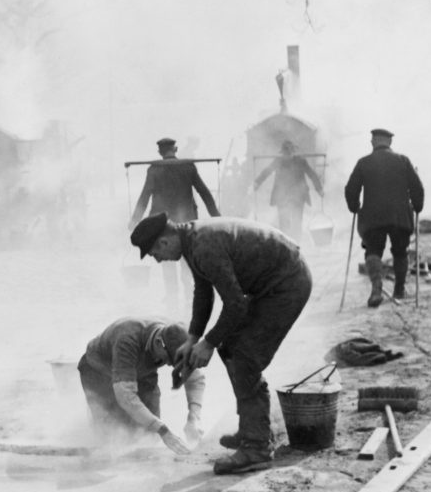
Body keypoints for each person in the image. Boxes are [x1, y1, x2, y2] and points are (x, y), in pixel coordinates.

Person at [132, 211, 312, 474]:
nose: (158, 260)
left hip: (288, 284)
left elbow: (236, 304)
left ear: (164, 242)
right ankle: (253, 429)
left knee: (245, 355)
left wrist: (209, 343)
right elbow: (204, 292)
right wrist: (193, 339)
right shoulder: (192, 239)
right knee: (230, 348)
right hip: (272, 284)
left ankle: (257, 447)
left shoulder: (203, 246)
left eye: (154, 254)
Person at [78, 318, 205, 453]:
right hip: (100, 371)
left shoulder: (176, 336)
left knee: (150, 435)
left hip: (142, 371)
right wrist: (163, 430)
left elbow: (195, 379)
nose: (168, 364)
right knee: (114, 432)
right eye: (168, 360)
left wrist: (193, 418)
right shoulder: (127, 340)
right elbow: (125, 397)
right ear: (158, 343)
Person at [128, 137, 222, 305]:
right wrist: (216, 216)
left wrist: (135, 220)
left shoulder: (154, 170)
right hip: (186, 221)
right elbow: (204, 193)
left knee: (166, 258)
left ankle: (172, 295)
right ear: (176, 150)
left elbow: (144, 196)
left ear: (160, 152)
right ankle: (189, 295)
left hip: (162, 223)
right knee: (188, 259)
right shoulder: (187, 166)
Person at [344, 128, 425, 307]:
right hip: (399, 216)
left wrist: (354, 206)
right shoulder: (403, 161)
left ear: (373, 142)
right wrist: (417, 206)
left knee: (373, 251)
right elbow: (417, 187)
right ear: (390, 143)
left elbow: (351, 189)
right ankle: (399, 289)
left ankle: (376, 289)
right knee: (400, 251)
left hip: (373, 218)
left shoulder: (363, 163)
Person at [252, 140, 324, 241]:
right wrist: (257, 183)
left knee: (297, 222)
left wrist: (319, 189)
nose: (288, 154)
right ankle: (285, 244)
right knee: (283, 223)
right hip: (282, 196)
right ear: (283, 153)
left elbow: (311, 174)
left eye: (290, 152)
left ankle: (297, 244)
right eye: (286, 152)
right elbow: (267, 171)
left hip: (298, 196)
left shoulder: (301, 161)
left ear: (293, 152)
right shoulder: (278, 161)